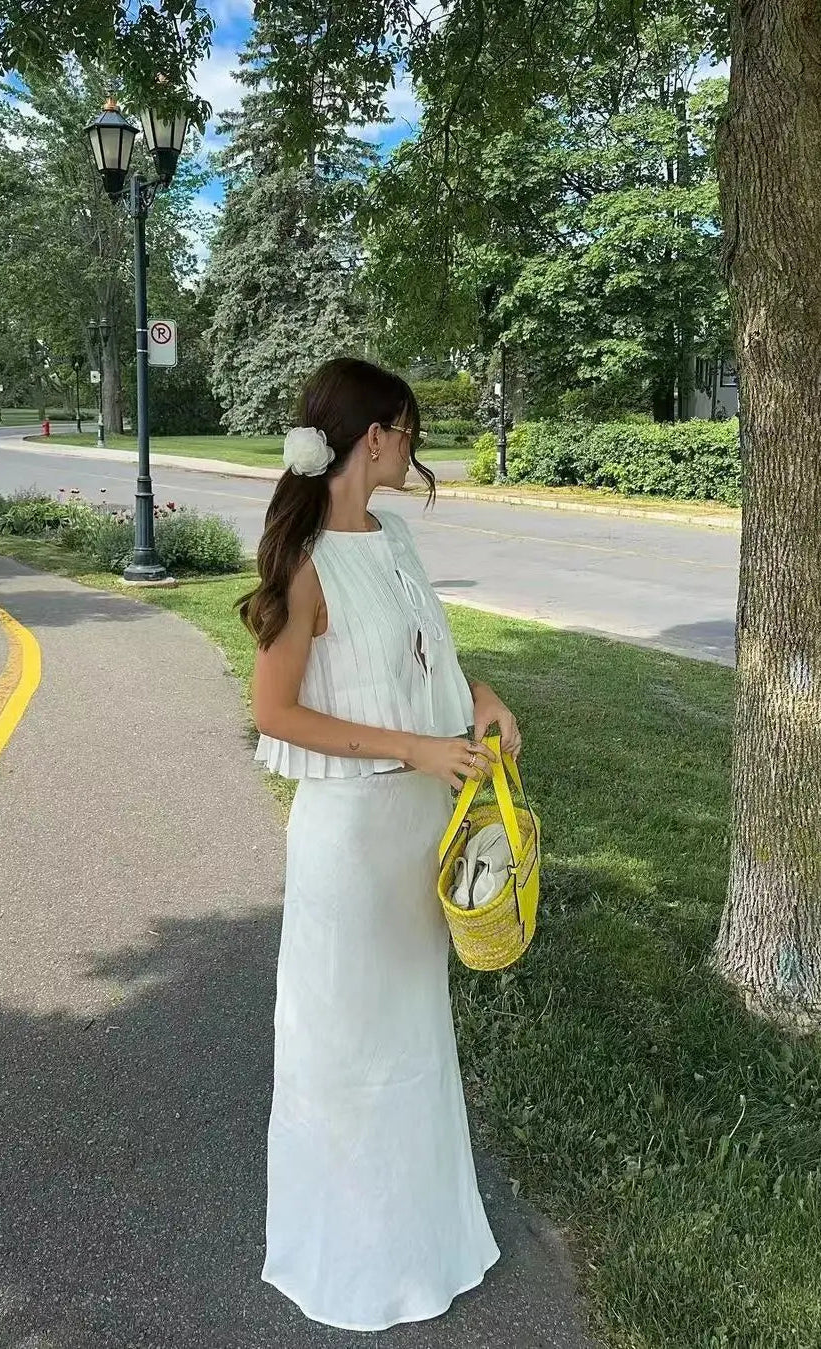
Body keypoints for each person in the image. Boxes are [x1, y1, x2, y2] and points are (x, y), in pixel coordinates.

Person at [240, 356, 522, 1332]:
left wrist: (479, 698)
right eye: (408, 430)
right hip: (355, 845)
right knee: (350, 1053)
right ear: (375, 438)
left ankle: (428, 1245)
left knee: (413, 1042)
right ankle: (355, 1265)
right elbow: (273, 710)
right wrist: (410, 745)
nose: (417, 449)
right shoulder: (307, 558)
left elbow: (425, 653)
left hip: (421, 835)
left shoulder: (394, 536)